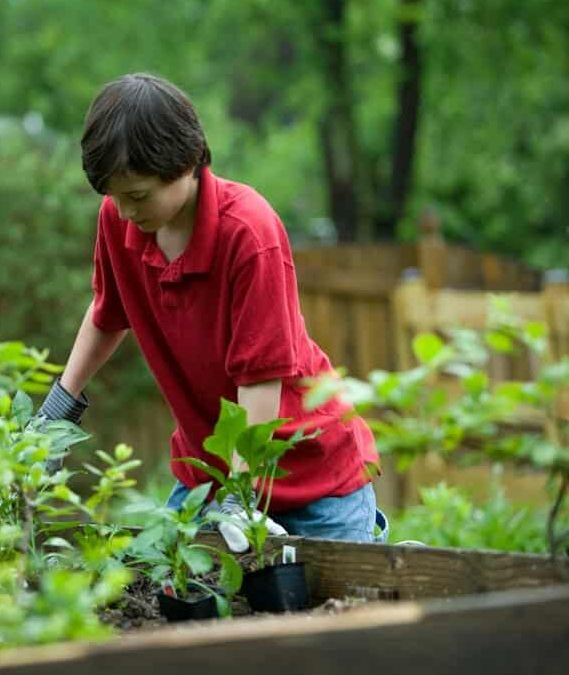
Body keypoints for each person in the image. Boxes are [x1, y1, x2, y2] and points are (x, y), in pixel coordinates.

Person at [37, 73, 388, 552]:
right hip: (211, 474)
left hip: (312, 479)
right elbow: (107, 313)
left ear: (186, 163)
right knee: (173, 596)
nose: (122, 212)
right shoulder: (120, 222)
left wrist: (241, 497)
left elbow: (260, 379)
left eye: (137, 196)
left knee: (333, 615)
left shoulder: (247, 231)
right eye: (112, 196)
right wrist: (55, 415)